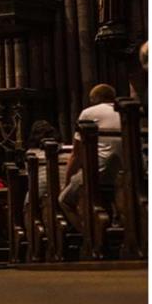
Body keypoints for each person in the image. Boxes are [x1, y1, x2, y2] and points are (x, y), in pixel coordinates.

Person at [59, 84, 122, 232]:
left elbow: (76, 154)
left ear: (94, 99)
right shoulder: (125, 111)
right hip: (128, 170)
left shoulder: (88, 113)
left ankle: (91, 237)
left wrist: (67, 182)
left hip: (100, 171)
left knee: (64, 200)